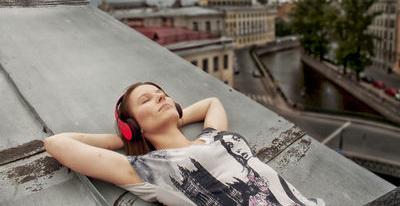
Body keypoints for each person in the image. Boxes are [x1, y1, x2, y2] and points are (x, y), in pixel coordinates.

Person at [45, 82, 324, 206]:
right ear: (132, 126)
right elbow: (57, 144)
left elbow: (211, 102)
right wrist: (125, 138)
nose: (160, 98)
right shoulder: (149, 169)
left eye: (163, 94)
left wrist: (176, 116)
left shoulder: (215, 137)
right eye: (147, 100)